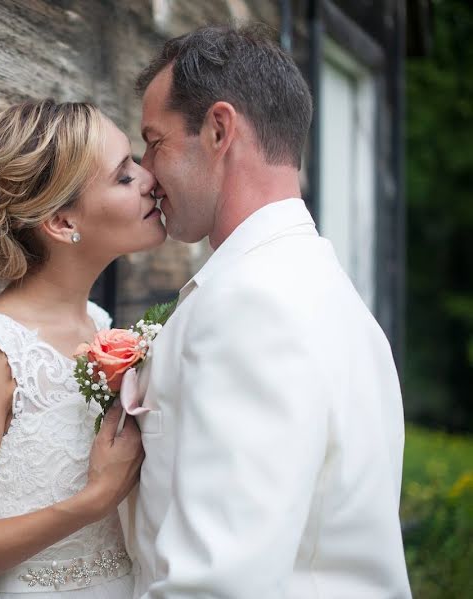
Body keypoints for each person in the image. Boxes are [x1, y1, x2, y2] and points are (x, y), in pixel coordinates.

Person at [119, 24, 412, 598]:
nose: (147, 172)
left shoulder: (255, 304)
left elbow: (220, 583)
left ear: (219, 130)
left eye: (155, 142)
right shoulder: (321, 287)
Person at [0, 99, 166, 597]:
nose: (148, 177)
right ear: (62, 223)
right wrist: (93, 502)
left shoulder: (101, 326)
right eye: (123, 176)